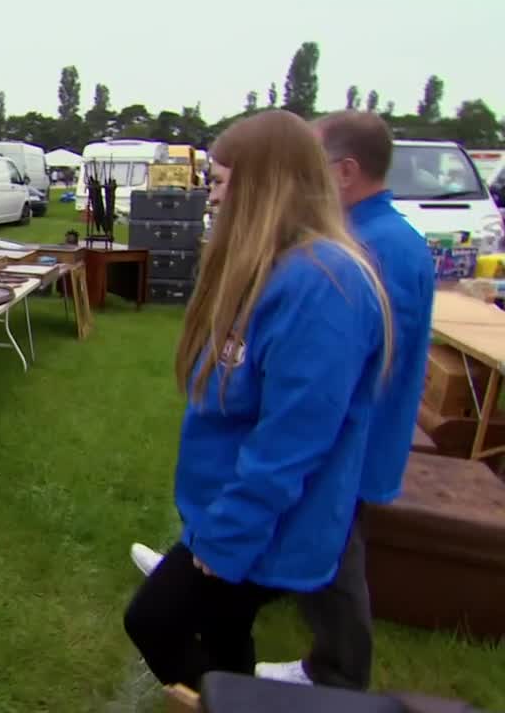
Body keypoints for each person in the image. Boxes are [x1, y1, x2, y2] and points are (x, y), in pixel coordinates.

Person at [129, 111, 434, 691]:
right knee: (224, 633)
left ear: (262, 184)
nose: (211, 197)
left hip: (261, 523)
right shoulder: (278, 266)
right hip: (232, 510)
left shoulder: (324, 284)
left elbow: (292, 439)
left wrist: (228, 533)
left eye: (220, 182)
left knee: (154, 621)